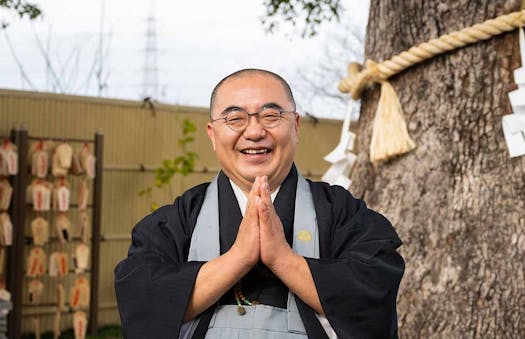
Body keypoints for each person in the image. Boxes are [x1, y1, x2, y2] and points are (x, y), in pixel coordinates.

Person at [114, 69, 404, 339]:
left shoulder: (341, 214)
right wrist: (238, 258)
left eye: (270, 115)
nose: (254, 131)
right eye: (235, 118)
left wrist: (282, 258)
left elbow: (373, 292)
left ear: (296, 126)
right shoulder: (179, 220)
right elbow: (140, 296)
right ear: (213, 135)